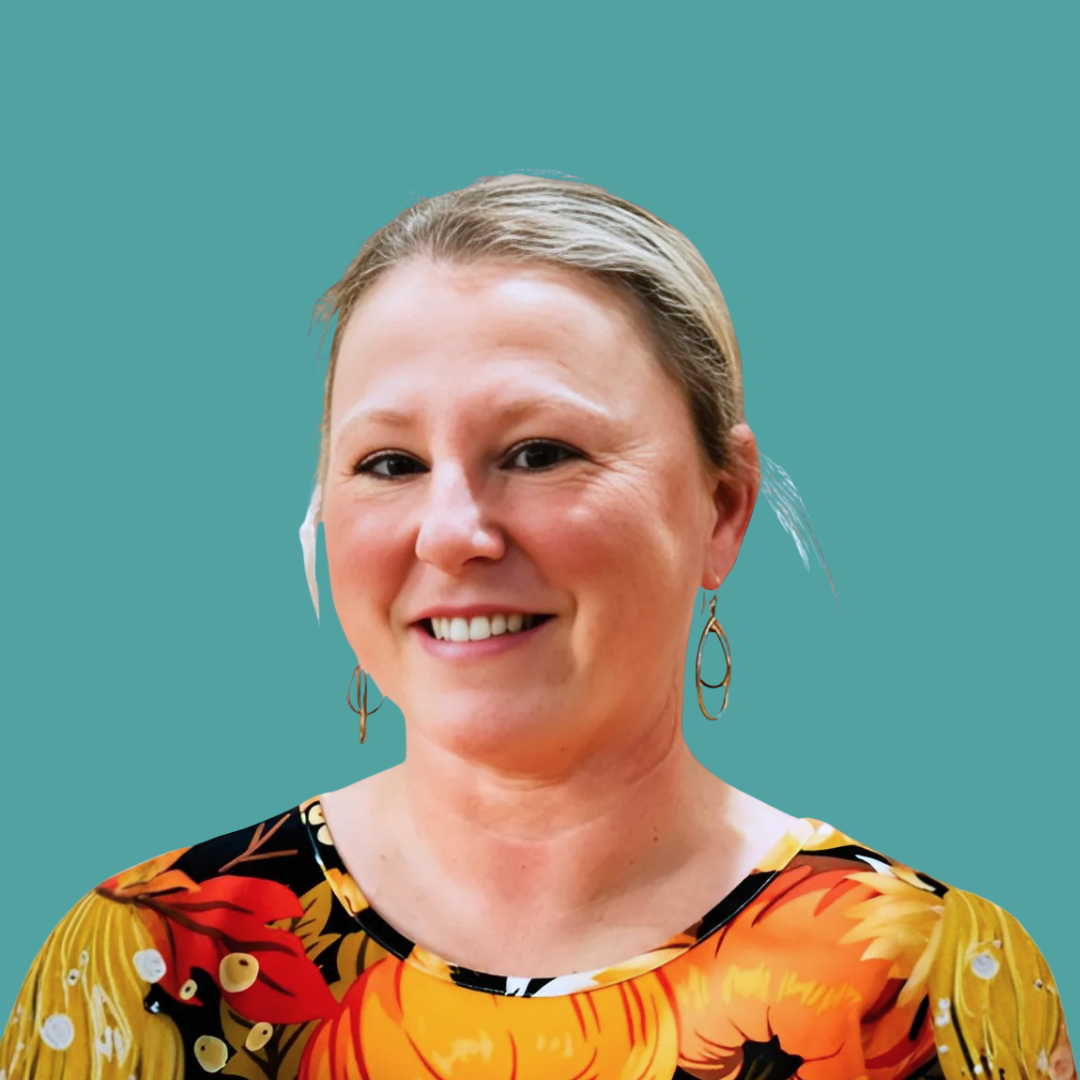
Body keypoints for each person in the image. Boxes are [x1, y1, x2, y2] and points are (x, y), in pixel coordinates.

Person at [1, 175, 1071, 1080]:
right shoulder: (147, 964)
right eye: (390, 464)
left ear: (723, 506)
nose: (452, 533)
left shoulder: (927, 978)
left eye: (540, 452)